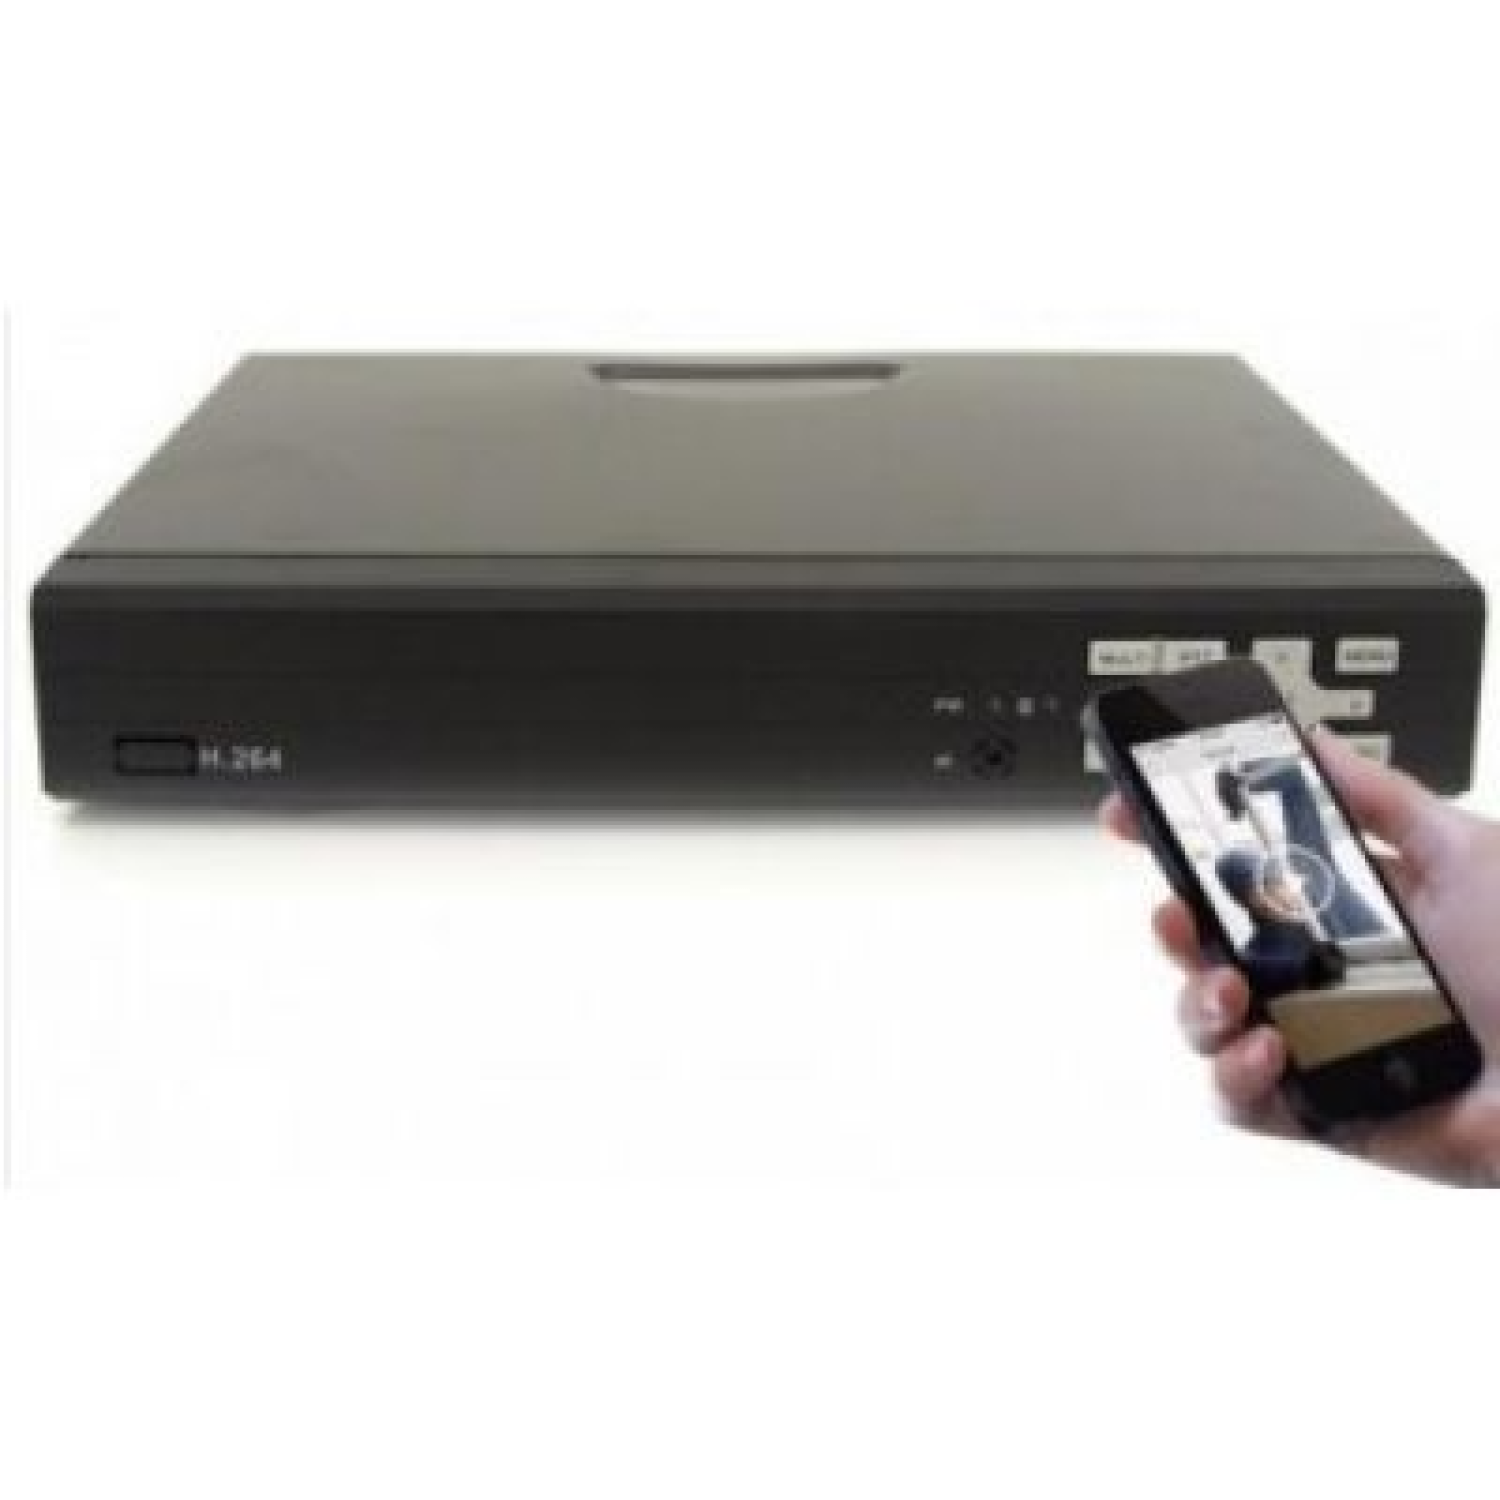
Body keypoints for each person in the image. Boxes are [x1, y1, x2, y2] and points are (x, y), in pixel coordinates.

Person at [1101, 726, 1500, 1186]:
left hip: (1385, 974)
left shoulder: (1324, 892)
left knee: (1316, 857)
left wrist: (1246, 778)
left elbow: (1294, 788)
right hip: (1343, 991)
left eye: (1283, 876)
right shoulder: (1259, 954)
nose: (1291, 885)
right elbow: (1296, 967)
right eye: (1272, 882)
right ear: (1252, 897)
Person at [1211, 845, 1344, 996]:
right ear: (1257, 898)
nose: (1296, 887)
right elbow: (1319, 969)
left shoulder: (1299, 942)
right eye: (1280, 881)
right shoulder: (1261, 964)